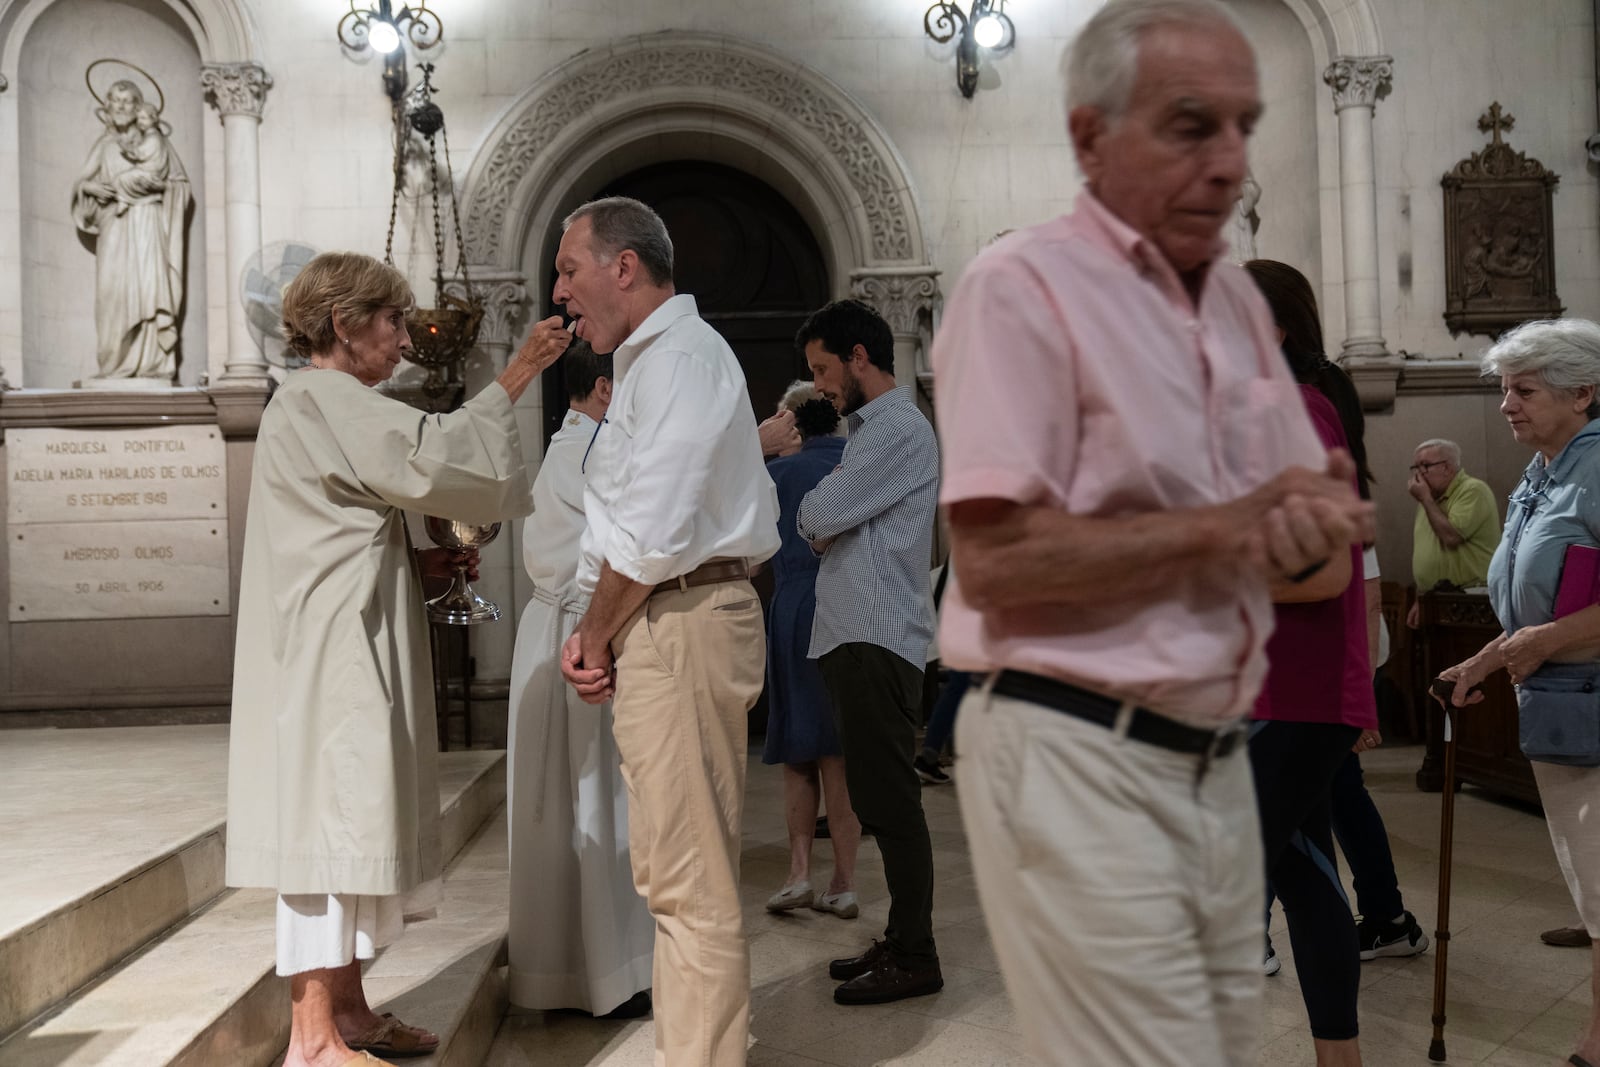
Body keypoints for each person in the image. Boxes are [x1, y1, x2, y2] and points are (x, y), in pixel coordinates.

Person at [931, 1, 1373, 1063]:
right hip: (1075, 741)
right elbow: (999, 564)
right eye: (1190, 125)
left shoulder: (1228, 302)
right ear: (1090, 135)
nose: (1229, 162)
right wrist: (1232, 527)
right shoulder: (1021, 288)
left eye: (1241, 125)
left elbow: (1301, 549)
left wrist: (1315, 523)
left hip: (1217, 743)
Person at [225, 251, 571, 1067]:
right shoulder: (320, 396)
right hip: (327, 656)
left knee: (348, 823)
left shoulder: (324, 404)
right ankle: (311, 1042)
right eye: (390, 322)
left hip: (347, 638)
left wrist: (420, 564)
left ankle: (347, 1011)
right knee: (323, 832)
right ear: (342, 324)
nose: (403, 340)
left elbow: (337, 525)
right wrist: (519, 371)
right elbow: (432, 452)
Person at [555, 196, 780, 1067]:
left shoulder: (681, 357)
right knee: (679, 870)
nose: (560, 290)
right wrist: (592, 624)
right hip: (662, 613)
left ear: (624, 265)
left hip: (679, 614)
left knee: (687, 879)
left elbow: (651, 528)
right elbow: (614, 520)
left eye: (570, 268)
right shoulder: (651, 362)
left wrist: (598, 631)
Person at [1436, 317, 1600, 1067]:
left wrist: (1540, 643)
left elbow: (1554, 623)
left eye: (1524, 389)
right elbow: (1535, 604)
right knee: (1588, 879)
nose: (1507, 403)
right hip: (1559, 704)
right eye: (1505, 388)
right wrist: (1484, 660)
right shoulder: (1545, 472)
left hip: (1590, 695)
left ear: (1584, 392)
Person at [1244, 258, 1378, 1065]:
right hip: (1271, 689)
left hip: (1296, 688)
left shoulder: (1299, 411)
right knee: (1305, 875)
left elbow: (1325, 571)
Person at [795, 298, 943, 1006]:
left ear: (859, 358)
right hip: (859, 633)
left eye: (824, 369)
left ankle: (917, 953)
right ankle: (903, 938)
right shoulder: (871, 431)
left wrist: (822, 517)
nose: (820, 385)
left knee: (891, 801)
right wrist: (827, 520)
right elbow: (829, 523)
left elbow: (819, 515)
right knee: (879, 799)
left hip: (878, 635)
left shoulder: (897, 429)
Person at [505, 341, 654, 1019]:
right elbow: (627, 545)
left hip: (548, 631)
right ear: (602, 391)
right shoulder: (596, 451)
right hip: (580, 634)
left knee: (559, 808)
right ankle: (608, 975)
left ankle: (561, 971)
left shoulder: (562, 449)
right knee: (596, 803)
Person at [760, 383, 863, 920]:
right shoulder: (860, 463)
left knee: (798, 748)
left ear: (793, 423)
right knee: (840, 751)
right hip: (850, 606)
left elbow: (747, 555)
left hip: (793, 605)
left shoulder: (774, 476)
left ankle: (799, 873)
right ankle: (843, 881)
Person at [71, 79, 190, 383]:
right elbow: (82, 184)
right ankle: (113, 364)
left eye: (127, 101)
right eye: (115, 101)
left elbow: (179, 184)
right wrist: (91, 187)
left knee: (150, 290)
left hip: (147, 224)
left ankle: (152, 363)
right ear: (107, 107)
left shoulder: (157, 143)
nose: (121, 107)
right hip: (114, 227)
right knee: (111, 294)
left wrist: (146, 186)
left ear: (138, 108)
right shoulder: (105, 145)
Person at [1406, 437, 1501, 627]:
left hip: (1470, 597)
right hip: (1434, 598)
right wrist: (1421, 597)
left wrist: (1425, 499)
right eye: (1415, 468)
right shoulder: (1429, 500)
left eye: (1425, 466)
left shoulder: (1473, 490)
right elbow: (1427, 553)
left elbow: (1451, 536)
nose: (1419, 475)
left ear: (1447, 468)